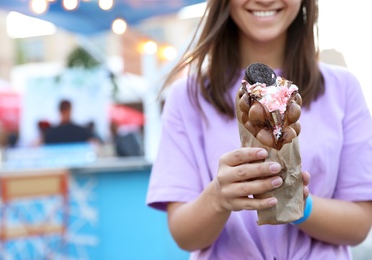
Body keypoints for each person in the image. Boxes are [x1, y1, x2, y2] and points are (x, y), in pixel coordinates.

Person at [146, 1, 372, 259]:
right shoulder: (187, 97)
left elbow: (359, 225)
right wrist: (218, 197)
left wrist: (297, 202)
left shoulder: (343, 88)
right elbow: (184, 235)